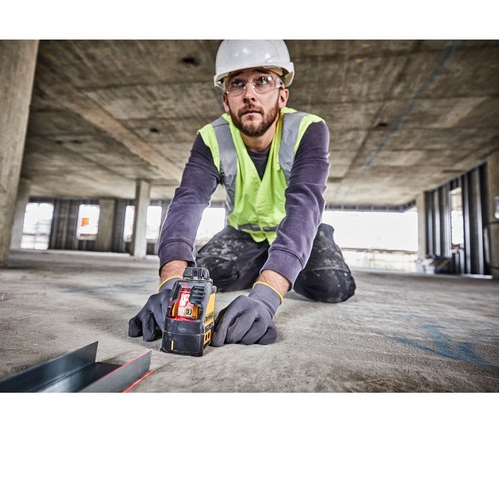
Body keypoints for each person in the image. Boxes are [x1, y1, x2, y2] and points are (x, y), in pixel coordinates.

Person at [128, 40, 356, 347]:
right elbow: (189, 200)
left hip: (300, 232)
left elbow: (305, 203)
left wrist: (267, 294)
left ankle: (281, 261)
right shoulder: (210, 138)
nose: (249, 93)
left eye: (262, 80)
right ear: (226, 100)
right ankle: (262, 261)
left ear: (282, 94)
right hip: (243, 234)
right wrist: (171, 279)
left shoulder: (308, 129)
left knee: (331, 286)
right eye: (237, 83)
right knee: (203, 277)